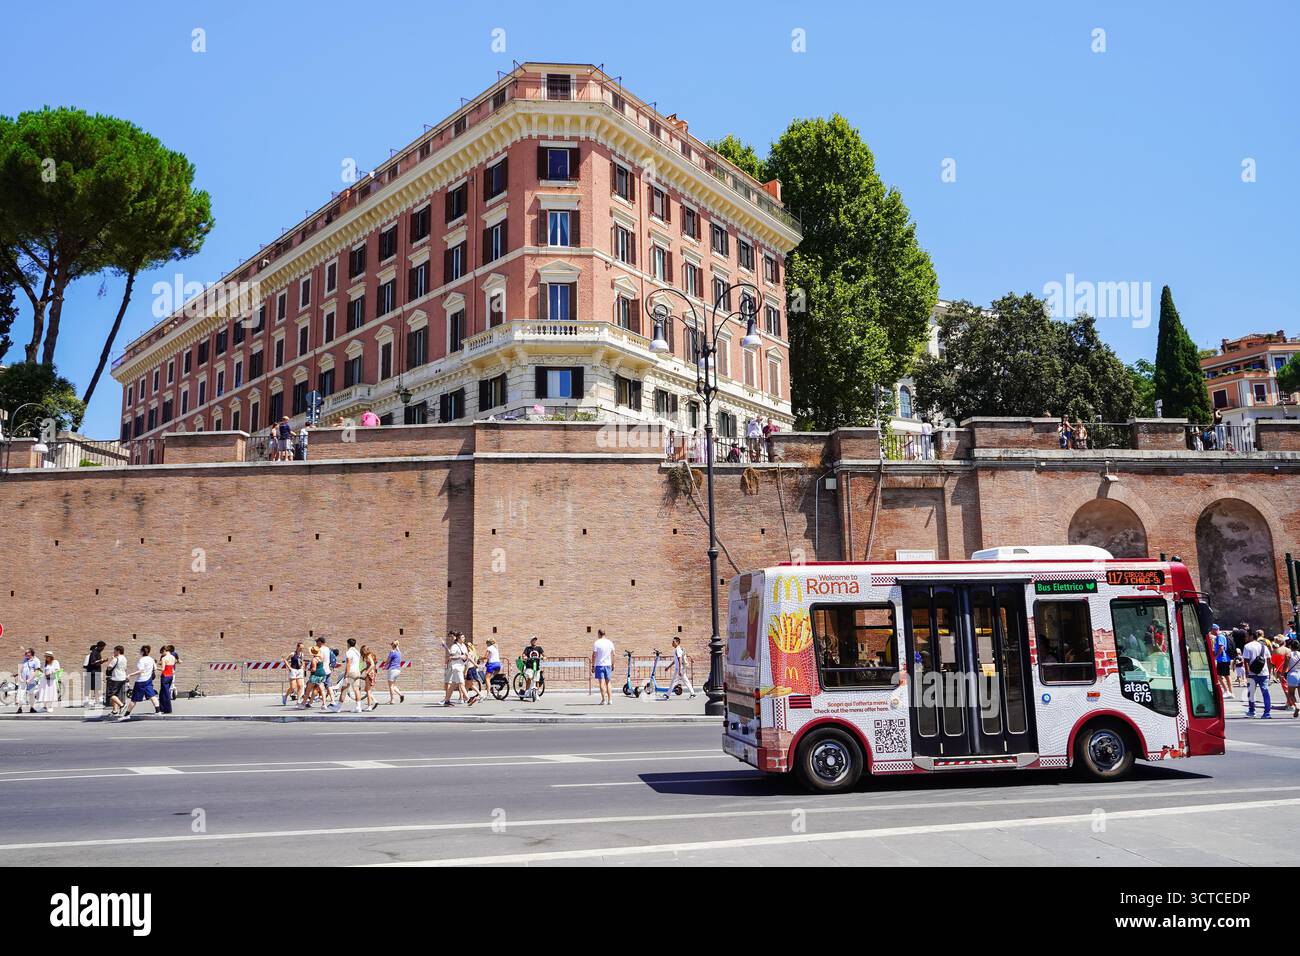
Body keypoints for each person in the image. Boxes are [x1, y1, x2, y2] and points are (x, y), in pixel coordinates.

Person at [117, 645, 162, 721]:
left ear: (142, 652)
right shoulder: (151, 659)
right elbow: (154, 668)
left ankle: (127, 714)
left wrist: (130, 675)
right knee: (152, 696)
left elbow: (141, 670)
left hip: (141, 681)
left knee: (134, 699)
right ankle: (158, 711)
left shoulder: (141, 660)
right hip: (148, 680)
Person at [1242, 629, 1272, 719]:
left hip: (1252, 673)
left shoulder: (1247, 646)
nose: (1245, 637)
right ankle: (1267, 713)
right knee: (1265, 692)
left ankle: (1252, 711)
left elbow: (1246, 661)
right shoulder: (1264, 646)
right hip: (1264, 673)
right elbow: (1269, 660)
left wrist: (1247, 673)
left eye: (1247, 635)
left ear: (1251, 636)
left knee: (1251, 693)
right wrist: (1269, 673)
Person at [332, 638, 364, 713]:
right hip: (357, 672)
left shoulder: (349, 652)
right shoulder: (357, 652)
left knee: (344, 689)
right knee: (356, 689)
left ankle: (338, 707)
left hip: (350, 672)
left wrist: (346, 675)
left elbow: (348, 664)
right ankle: (358, 707)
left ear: (348, 644)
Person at [443, 631, 469, 706]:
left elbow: (466, 655)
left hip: (462, 666)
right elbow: (451, 657)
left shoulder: (464, 645)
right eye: (462, 637)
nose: (464, 638)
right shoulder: (454, 646)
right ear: (458, 638)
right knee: (462, 683)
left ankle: (447, 701)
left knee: (453, 684)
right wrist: (460, 656)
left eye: (464, 637)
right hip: (456, 667)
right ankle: (467, 698)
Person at [592, 629, 615, 705]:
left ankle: (603, 700)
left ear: (599, 634)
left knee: (601, 682)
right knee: (608, 682)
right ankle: (610, 700)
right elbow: (614, 654)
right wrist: (613, 664)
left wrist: (593, 665)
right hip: (608, 665)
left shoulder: (597, 643)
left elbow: (594, 655)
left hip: (599, 665)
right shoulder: (610, 642)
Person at [1210, 625, 1233, 698]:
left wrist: (1215, 656)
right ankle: (1230, 692)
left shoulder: (1219, 637)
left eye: (1211, 630)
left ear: (1214, 629)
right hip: (1226, 658)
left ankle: (1226, 691)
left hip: (1222, 659)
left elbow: (1221, 647)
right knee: (1226, 675)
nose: (1210, 632)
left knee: (1218, 675)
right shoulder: (1222, 636)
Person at [105, 645, 129, 716]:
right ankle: (115, 711)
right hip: (122, 678)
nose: (113, 652)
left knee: (110, 695)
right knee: (115, 695)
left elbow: (109, 667)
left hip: (116, 678)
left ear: (118, 651)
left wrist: (112, 660)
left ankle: (122, 705)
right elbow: (125, 668)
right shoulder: (124, 658)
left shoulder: (116, 659)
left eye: (114, 651)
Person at [17, 648, 40, 714]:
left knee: (31, 694)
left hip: (32, 680)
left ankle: (32, 708)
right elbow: (21, 669)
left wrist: (29, 679)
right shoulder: (25, 660)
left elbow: (37, 671)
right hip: (23, 680)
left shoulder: (36, 660)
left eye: (27, 652)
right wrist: (20, 677)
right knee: (21, 693)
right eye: (25, 653)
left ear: (31, 653)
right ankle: (20, 708)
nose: (25, 654)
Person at [521, 636, 544, 702]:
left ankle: (536, 693)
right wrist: (524, 657)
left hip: (536, 667)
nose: (534, 641)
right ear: (530, 641)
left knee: (536, 680)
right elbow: (523, 654)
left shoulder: (539, 648)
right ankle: (527, 691)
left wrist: (544, 657)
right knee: (530, 677)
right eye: (533, 640)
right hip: (529, 666)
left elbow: (544, 655)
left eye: (535, 640)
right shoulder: (528, 648)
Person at [1281, 639, 1300, 718]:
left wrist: (1282, 673)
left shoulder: (1289, 654)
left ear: (1290, 646)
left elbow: (1286, 665)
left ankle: (1296, 705)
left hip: (1292, 674)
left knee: (1291, 693)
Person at [283, 642, 306, 706]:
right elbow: (285, 660)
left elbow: (302, 661)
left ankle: (298, 700)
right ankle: (285, 696)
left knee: (300, 686)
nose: (301, 649)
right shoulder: (292, 654)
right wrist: (289, 667)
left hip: (299, 670)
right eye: (300, 648)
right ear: (297, 647)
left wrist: (302, 667)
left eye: (302, 648)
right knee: (293, 687)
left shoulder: (302, 654)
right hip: (293, 670)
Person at [84, 641, 105, 707]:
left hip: (95, 672)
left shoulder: (97, 653)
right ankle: (95, 702)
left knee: (96, 688)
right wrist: (101, 660)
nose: (103, 649)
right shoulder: (94, 653)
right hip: (93, 672)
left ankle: (96, 701)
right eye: (103, 647)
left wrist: (102, 661)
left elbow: (96, 663)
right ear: (99, 646)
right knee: (94, 688)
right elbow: (93, 662)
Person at [359, 644, 379, 712]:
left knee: (368, 690)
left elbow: (372, 664)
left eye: (362, 651)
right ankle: (375, 701)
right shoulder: (370, 655)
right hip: (372, 672)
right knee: (367, 689)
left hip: (370, 673)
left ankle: (369, 706)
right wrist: (363, 669)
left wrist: (367, 672)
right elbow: (370, 664)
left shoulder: (368, 656)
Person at [158, 645, 176, 715]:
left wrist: (155, 668)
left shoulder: (164, 658)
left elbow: (163, 669)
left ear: (165, 651)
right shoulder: (173, 657)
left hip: (165, 676)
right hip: (170, 676)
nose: (161, 654)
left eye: (162, 652)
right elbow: (172, 666)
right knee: (162, 692)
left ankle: (168, 709)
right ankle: (161, 708)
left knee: (165, 693)